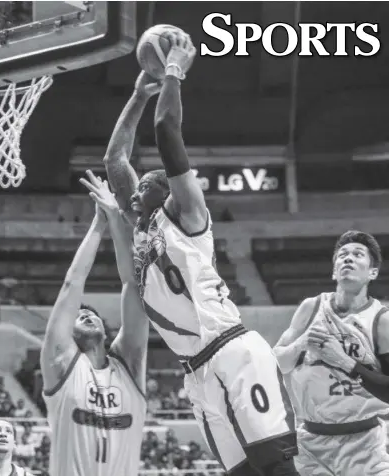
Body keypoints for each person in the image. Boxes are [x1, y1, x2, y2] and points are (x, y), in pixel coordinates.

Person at [101, 31, 298, 476]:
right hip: (196, 373)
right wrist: (136, 96)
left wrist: (173, 73)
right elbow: (115, 161)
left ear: (167, 191)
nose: (134, 193)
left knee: (277, 469)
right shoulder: (144, 229)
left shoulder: (188, 217)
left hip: (233, 351)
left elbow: (166, 130)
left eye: (145, 185)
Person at [40, 176, 149, 476]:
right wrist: (97, 226)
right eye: (80, 315)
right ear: (69, 336)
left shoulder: (129, 364)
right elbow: (72, 284)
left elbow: (132, 284)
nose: (87, 315)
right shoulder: (62, 363)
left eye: (93, 314)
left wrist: (114, 217)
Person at [274, 230, 389, 476]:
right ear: (334, 270)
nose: (348, 258)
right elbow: (276, 364)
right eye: (342, 255)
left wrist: (345, 362)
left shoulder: (381, 320)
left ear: (373, 272)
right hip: (310, 443)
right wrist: (301, 343)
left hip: (365, 443)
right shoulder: (311, 307)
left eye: (358, 254)